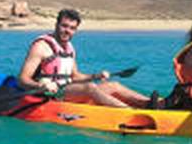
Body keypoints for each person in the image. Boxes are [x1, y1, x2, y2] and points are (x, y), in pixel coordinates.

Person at [17, 9, 153, 108]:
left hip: (66, 90)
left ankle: (151, 103)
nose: (67, 31)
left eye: (72, 28)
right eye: (64, 26)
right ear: (56, 24)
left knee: (114, 85)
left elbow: (75, 76)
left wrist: (96, 76)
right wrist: (41, 85)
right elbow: (23, 79)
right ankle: (127, 112)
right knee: (89, 88)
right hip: (48, 93)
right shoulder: (41, 46)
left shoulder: (69, 48)